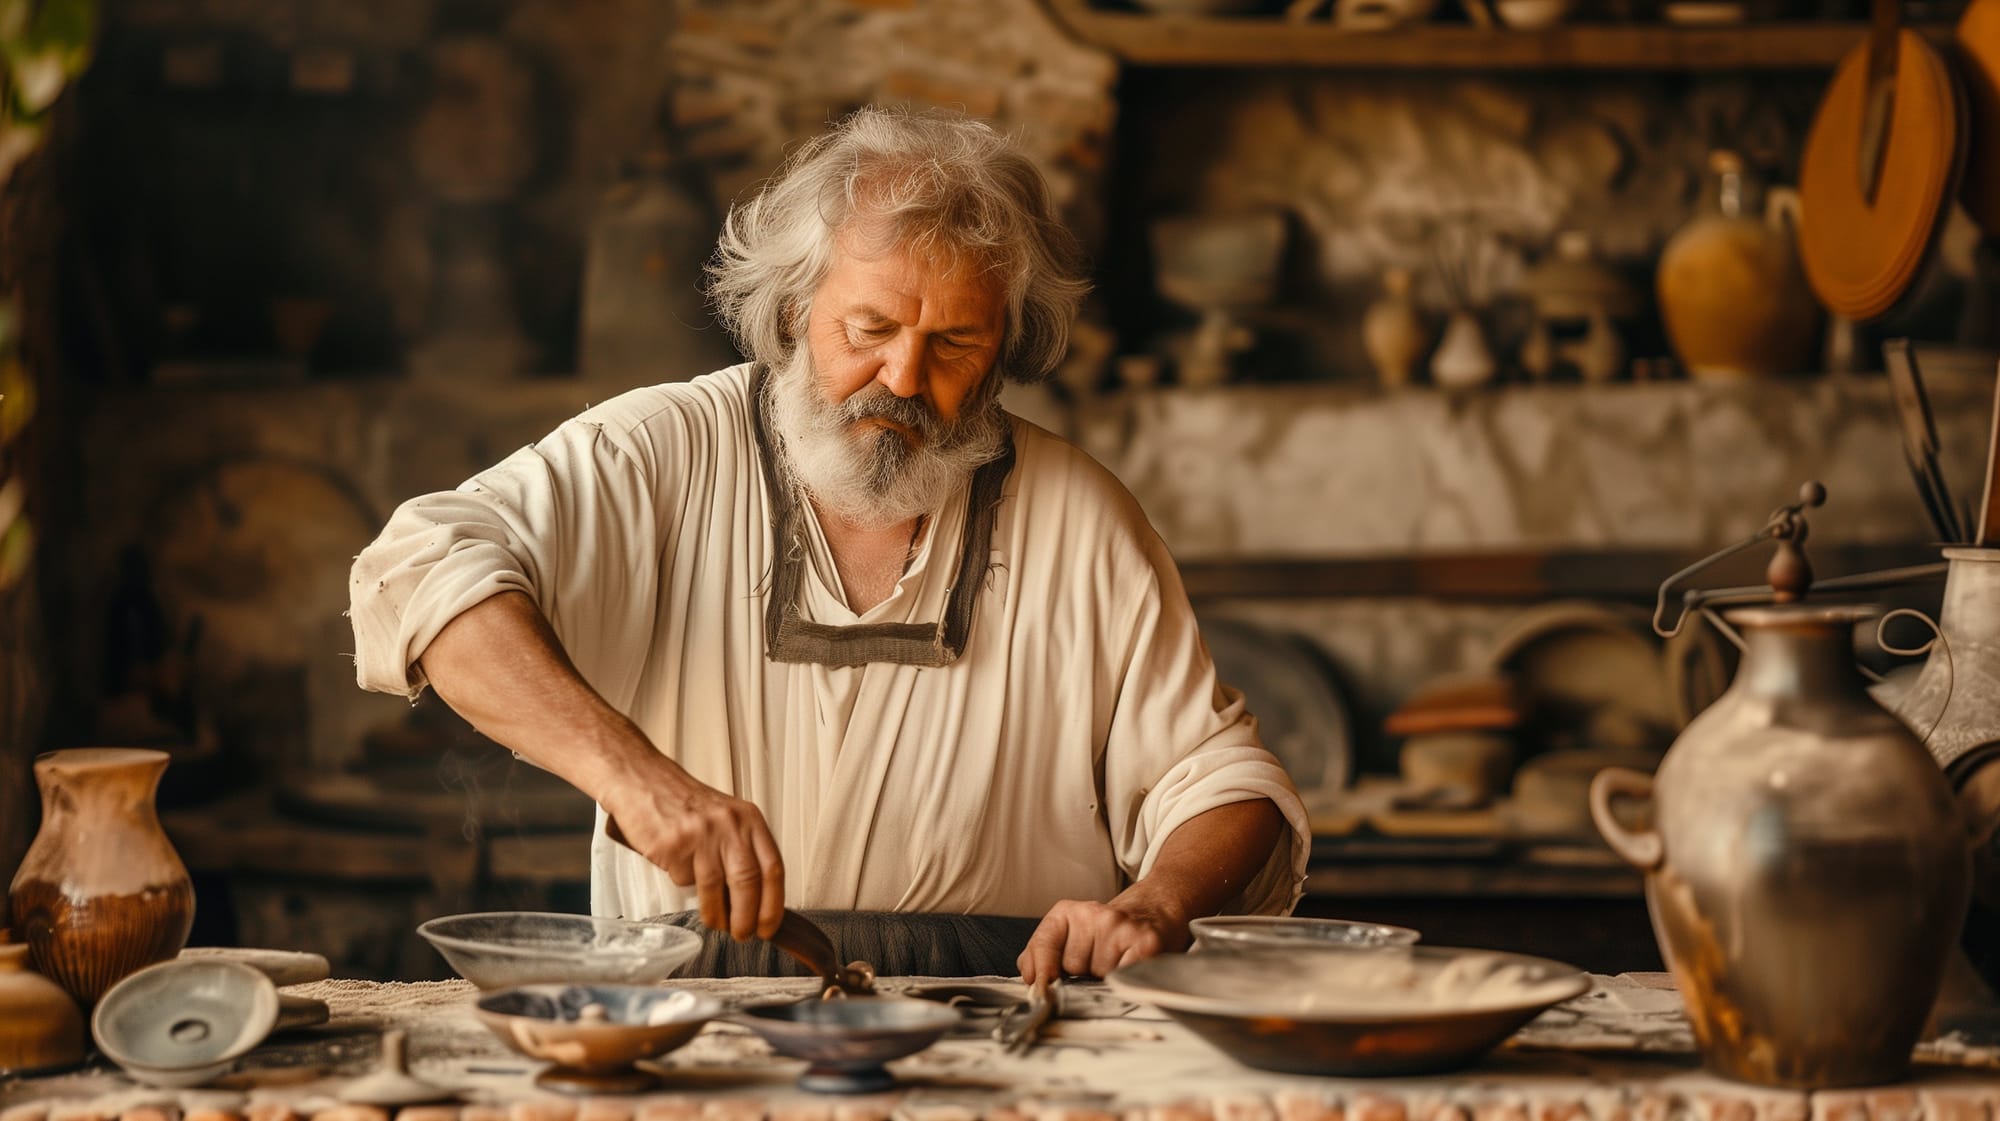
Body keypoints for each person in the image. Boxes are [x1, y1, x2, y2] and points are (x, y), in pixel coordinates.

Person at [348, 106, 1310, 982]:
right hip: (693, 1011)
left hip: (1005, 1006)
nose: (904, 376)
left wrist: (1158, 900)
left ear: (1006, 346)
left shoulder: (1082, 519)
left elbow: (1225, 783)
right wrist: (633, 778)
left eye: (955, 343)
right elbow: (419, 566)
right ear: (792, 309)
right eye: (870, 327)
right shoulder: (661, 455)